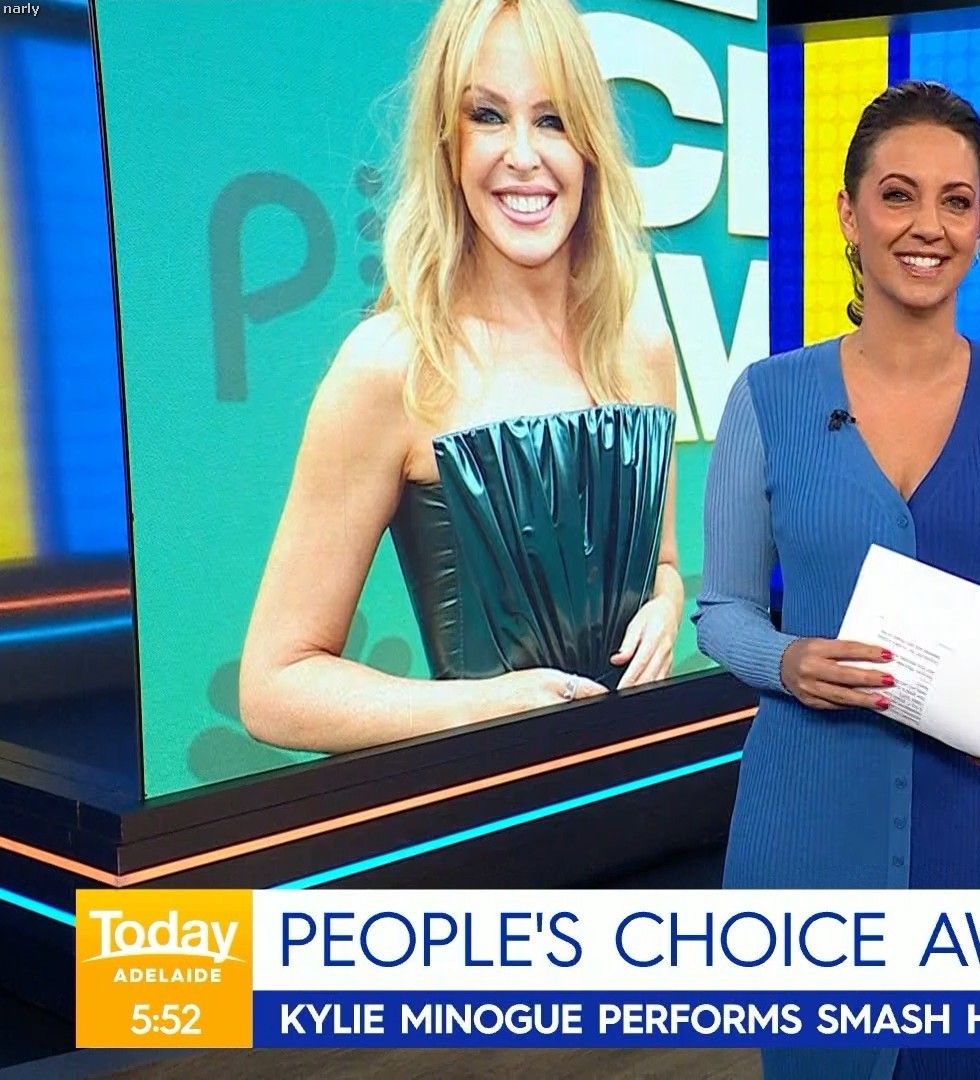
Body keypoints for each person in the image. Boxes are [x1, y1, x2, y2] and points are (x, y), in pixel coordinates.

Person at [695, 81, 980, 1080]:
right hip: (812, 831)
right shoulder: (766, 397)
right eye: (898, 195)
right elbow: (722, 610)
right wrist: (786, 661)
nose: (929, 227)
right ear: (848, 214)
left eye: (955, 201)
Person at [237, 0, 682, 754]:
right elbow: (274, 685)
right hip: (490, 811)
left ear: (590, 147)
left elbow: (662, 563)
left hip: (642, 789)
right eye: (488, 116)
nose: (523, 155)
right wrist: (482, 708)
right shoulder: (392, 365)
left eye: (553, 120)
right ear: (448, 143)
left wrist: (666, 607)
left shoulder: (641, 347)